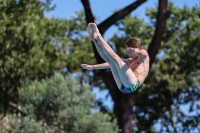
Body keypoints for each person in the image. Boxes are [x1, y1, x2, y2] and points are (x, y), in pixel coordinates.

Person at [81, 23, 149, 93]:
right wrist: (93, 67)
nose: (129, 54)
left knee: (117, 59)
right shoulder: (129, 61)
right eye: (128, 51)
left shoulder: (143, 57)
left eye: (130, 52)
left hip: (133, 84)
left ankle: (98, 36)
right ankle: (94, 40)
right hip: (122, 87)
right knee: (111, 61)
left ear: (138, 48)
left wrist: (134, 51)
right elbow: (107, 64)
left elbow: (142, 53)